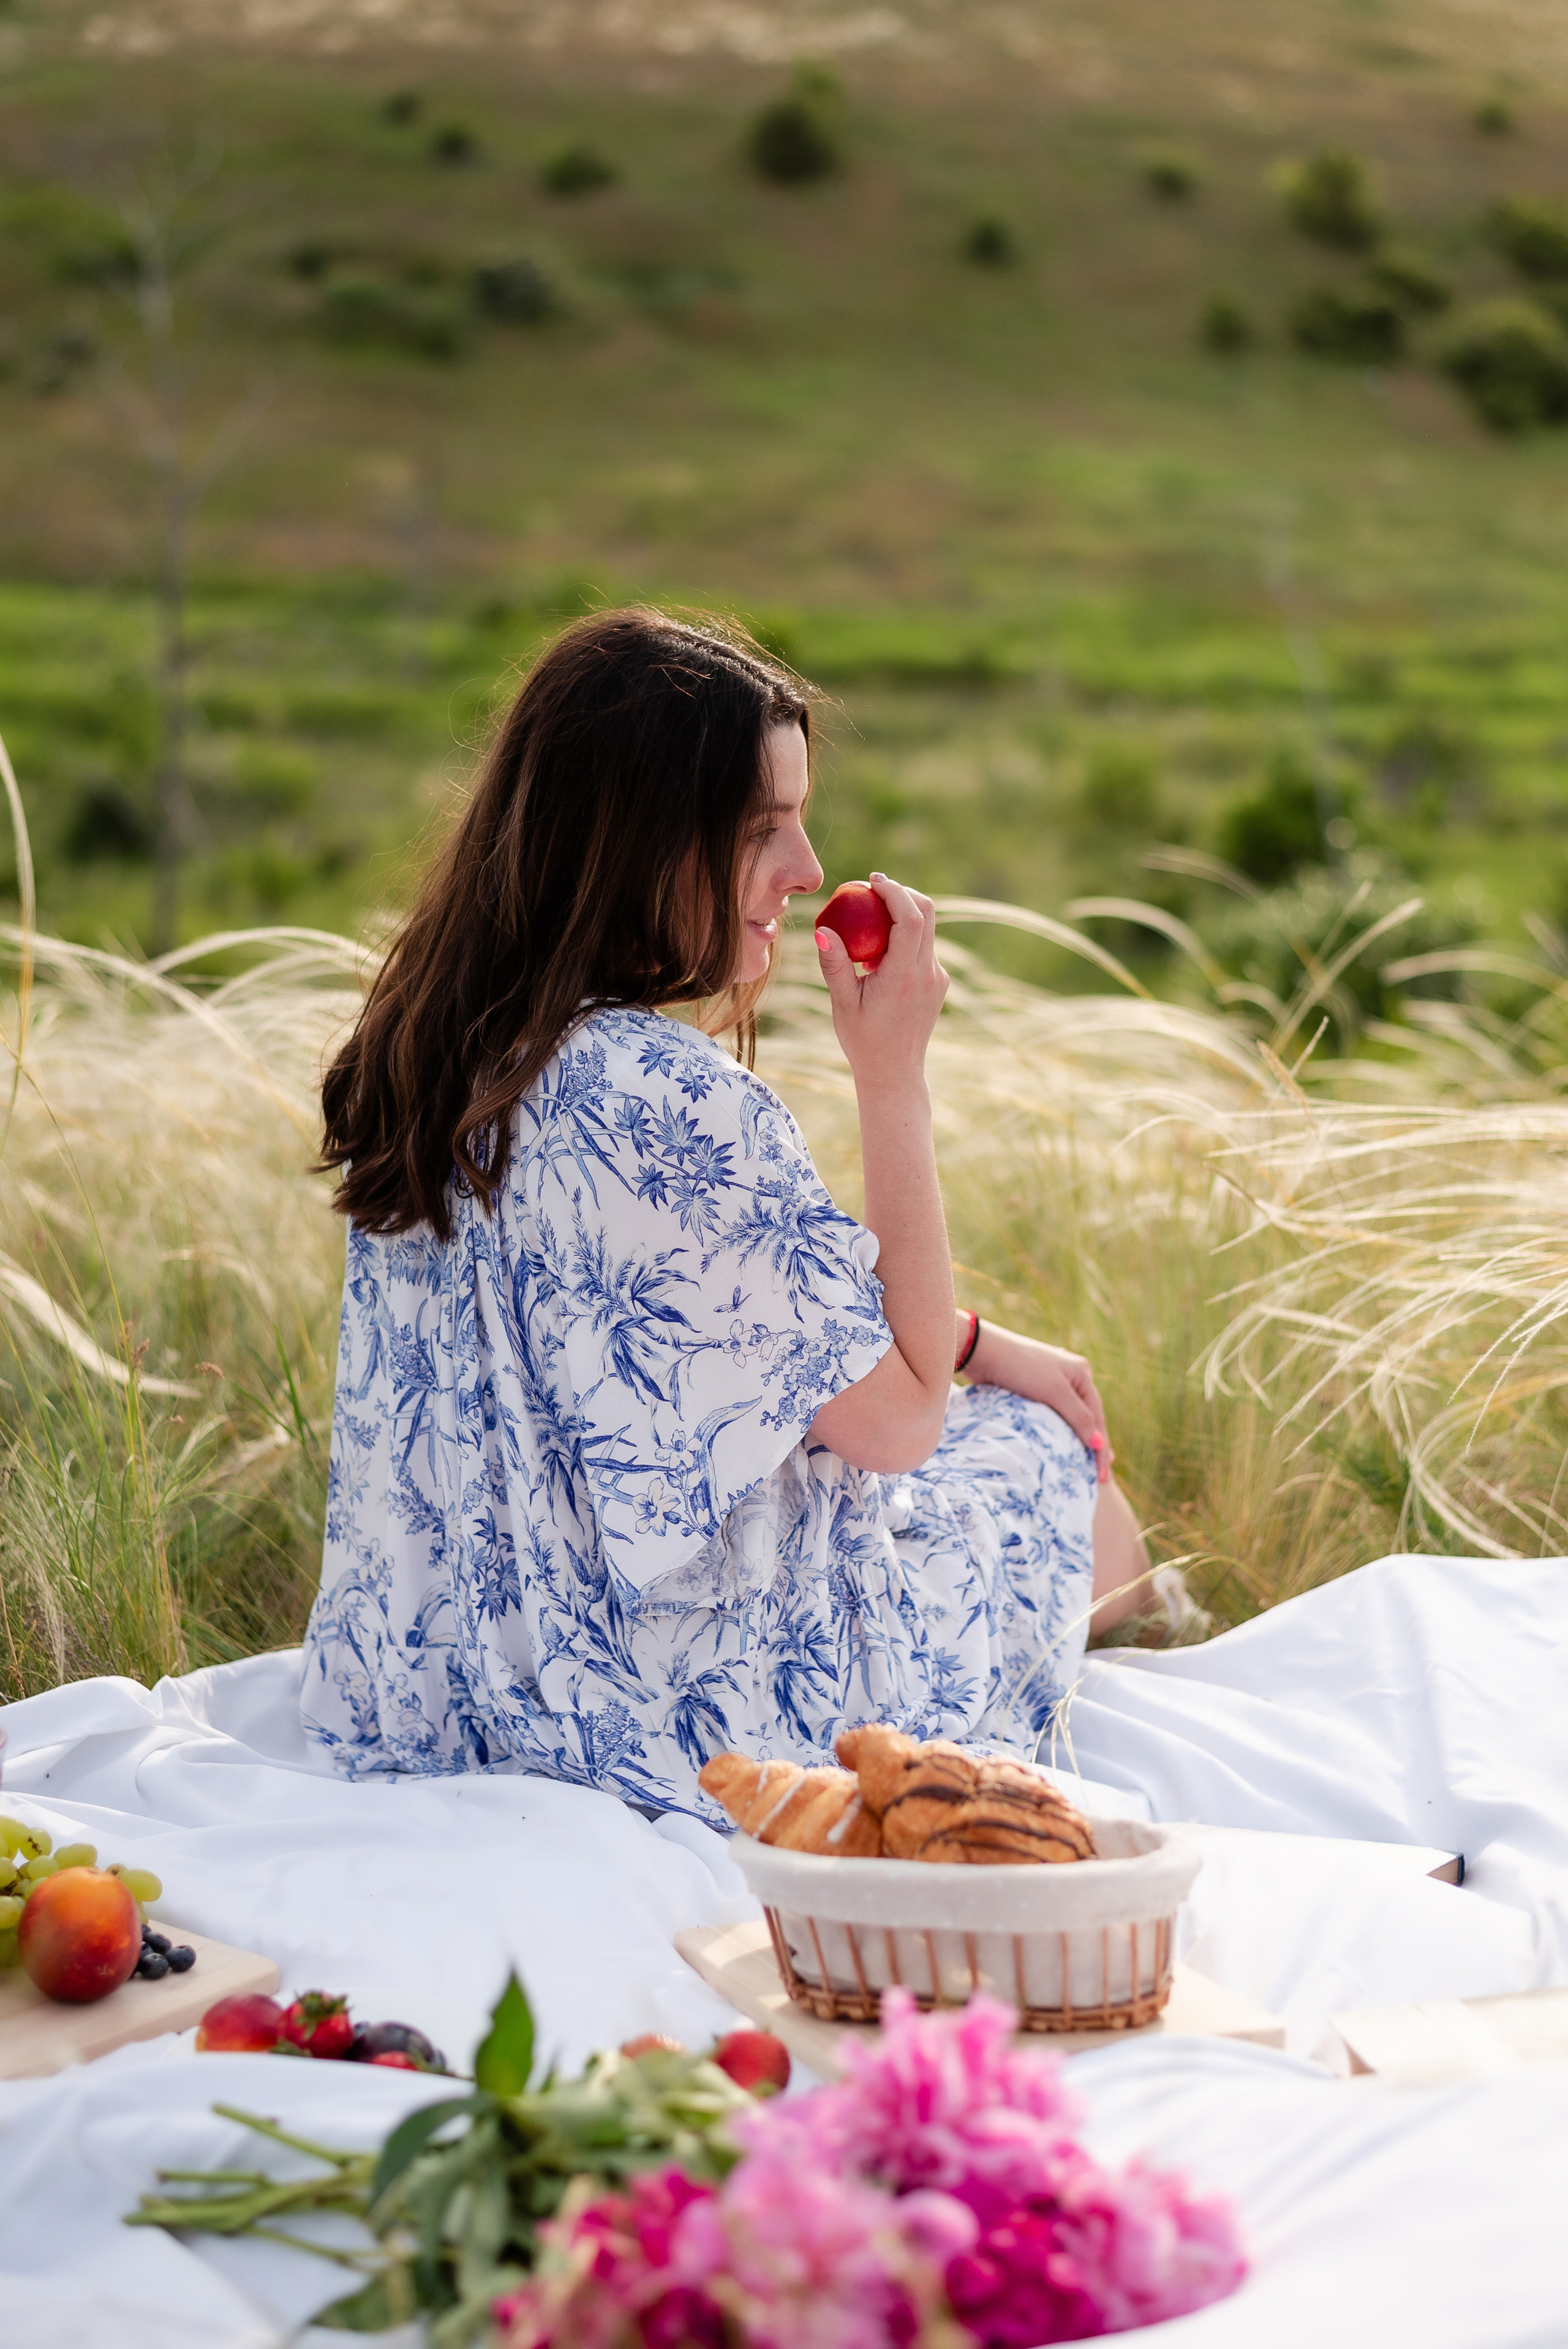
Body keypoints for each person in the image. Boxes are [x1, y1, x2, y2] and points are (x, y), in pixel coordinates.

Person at [301, 608, 1155, 1815]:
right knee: (1043, 1458)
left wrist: (967, 1341)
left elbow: (712, 1338)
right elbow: (902, 1422)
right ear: (639, 843)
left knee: (988, 1431)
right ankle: (1143, 1641)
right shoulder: (669, 1102)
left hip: (437, 1691)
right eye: (762, 831)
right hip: (676, 1722)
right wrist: (891, 1077)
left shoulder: (428, 1056)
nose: (806, 871)